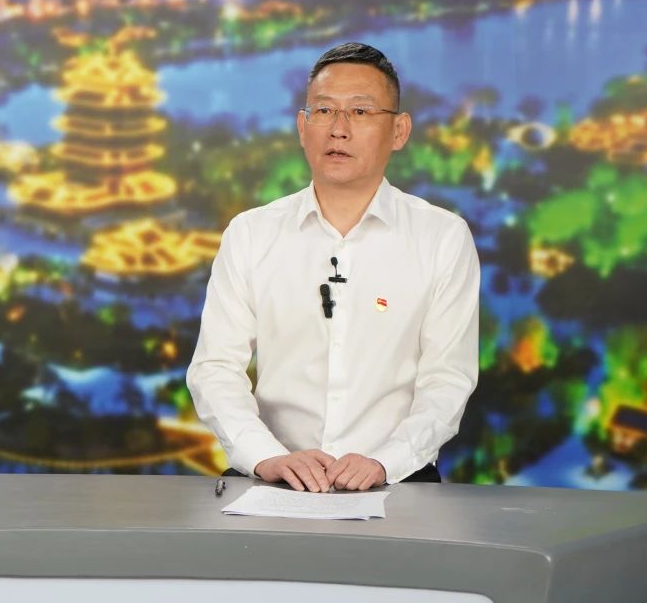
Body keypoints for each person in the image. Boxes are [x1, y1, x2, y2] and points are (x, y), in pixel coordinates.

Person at [186, 42, 479, 492]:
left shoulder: (442, 237)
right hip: (275, 477)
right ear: (303, 127)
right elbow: (215, 368)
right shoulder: (251, 234)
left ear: (399, 131)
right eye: (323, 111)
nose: (339, 130)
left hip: (399, 479)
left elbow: (448, 379)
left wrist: (384, 462)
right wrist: (266, 456)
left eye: (360, 112)